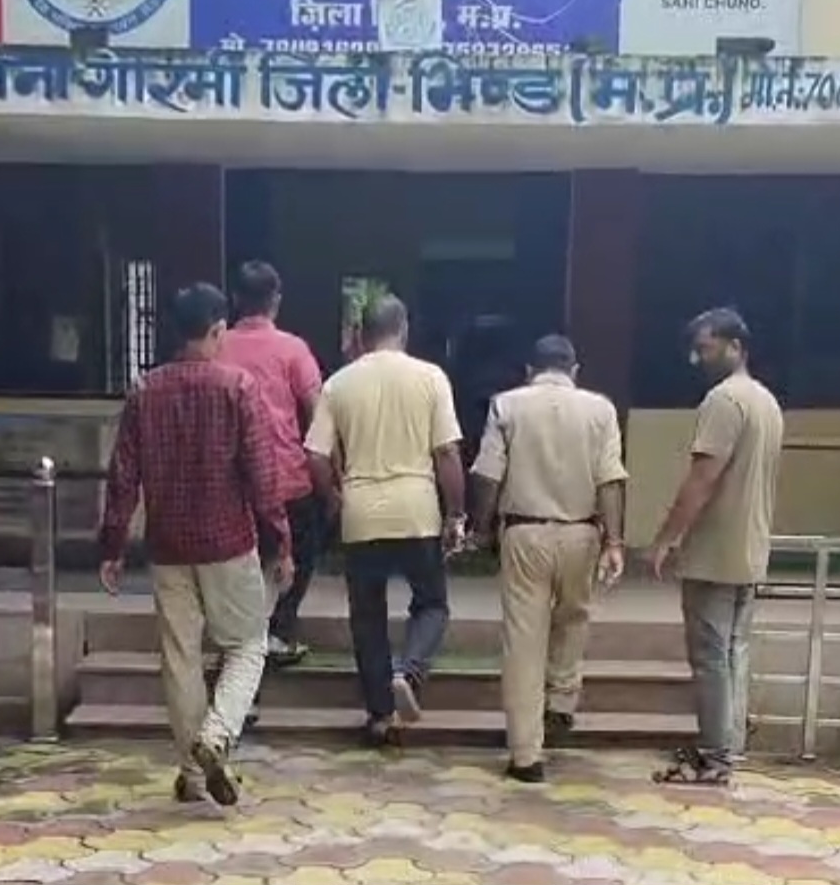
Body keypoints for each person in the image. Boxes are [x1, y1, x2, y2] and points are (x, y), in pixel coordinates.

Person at [97, 282, 293, 808]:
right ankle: (218, 735)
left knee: (180, 657)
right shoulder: (238, 387)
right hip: (229, 541)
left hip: (168, 546)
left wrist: (112, 546)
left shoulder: (144, 391)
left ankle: (192, 770)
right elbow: (261, 474)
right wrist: (281, 537)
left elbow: (123, 477)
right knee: (247, 645)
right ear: (217, 330)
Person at [304, 294, 466, 746]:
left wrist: (333, 497)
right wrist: (456, 513)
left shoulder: (339, 384)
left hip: (361, 512)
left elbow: (315, 456)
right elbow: (447, 453)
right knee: (432, 603)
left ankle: (379, 715)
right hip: (417, 510)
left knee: (367, 616)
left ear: (361, 334)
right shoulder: (431, 378)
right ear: (404, 329)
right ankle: (408, 673)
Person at [469, 334, 628, 783]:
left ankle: (526, 756)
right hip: (582, 532)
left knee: (523, 640)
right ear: (574, 370)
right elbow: (611, 480)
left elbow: (487, 474)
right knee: (574, 616)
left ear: (529, 371)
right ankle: (561, 696)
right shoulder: (600, 410)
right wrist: (615, 541)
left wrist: (482, 529)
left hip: (524, 532)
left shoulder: (506, 405)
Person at [648, 307, 783, 786]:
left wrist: (667, 537)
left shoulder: (724, 401)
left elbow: (703, 478)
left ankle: (714, 755)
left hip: (715, 552)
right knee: (732, 653)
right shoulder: (766, 401)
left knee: (710, 657)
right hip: (750, 548)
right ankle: (728, 748)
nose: (697, 358)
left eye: (705, 348)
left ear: (735, 346)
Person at [219, 260, 324, 666]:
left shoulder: (217, 347)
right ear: (276, 300)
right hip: (286, 475)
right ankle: (278, 629)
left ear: (235, 299)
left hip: (230, 480)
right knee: (300, 552)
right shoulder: (293, 349)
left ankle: (238, 638)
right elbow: (316, 411)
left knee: (238, 562)